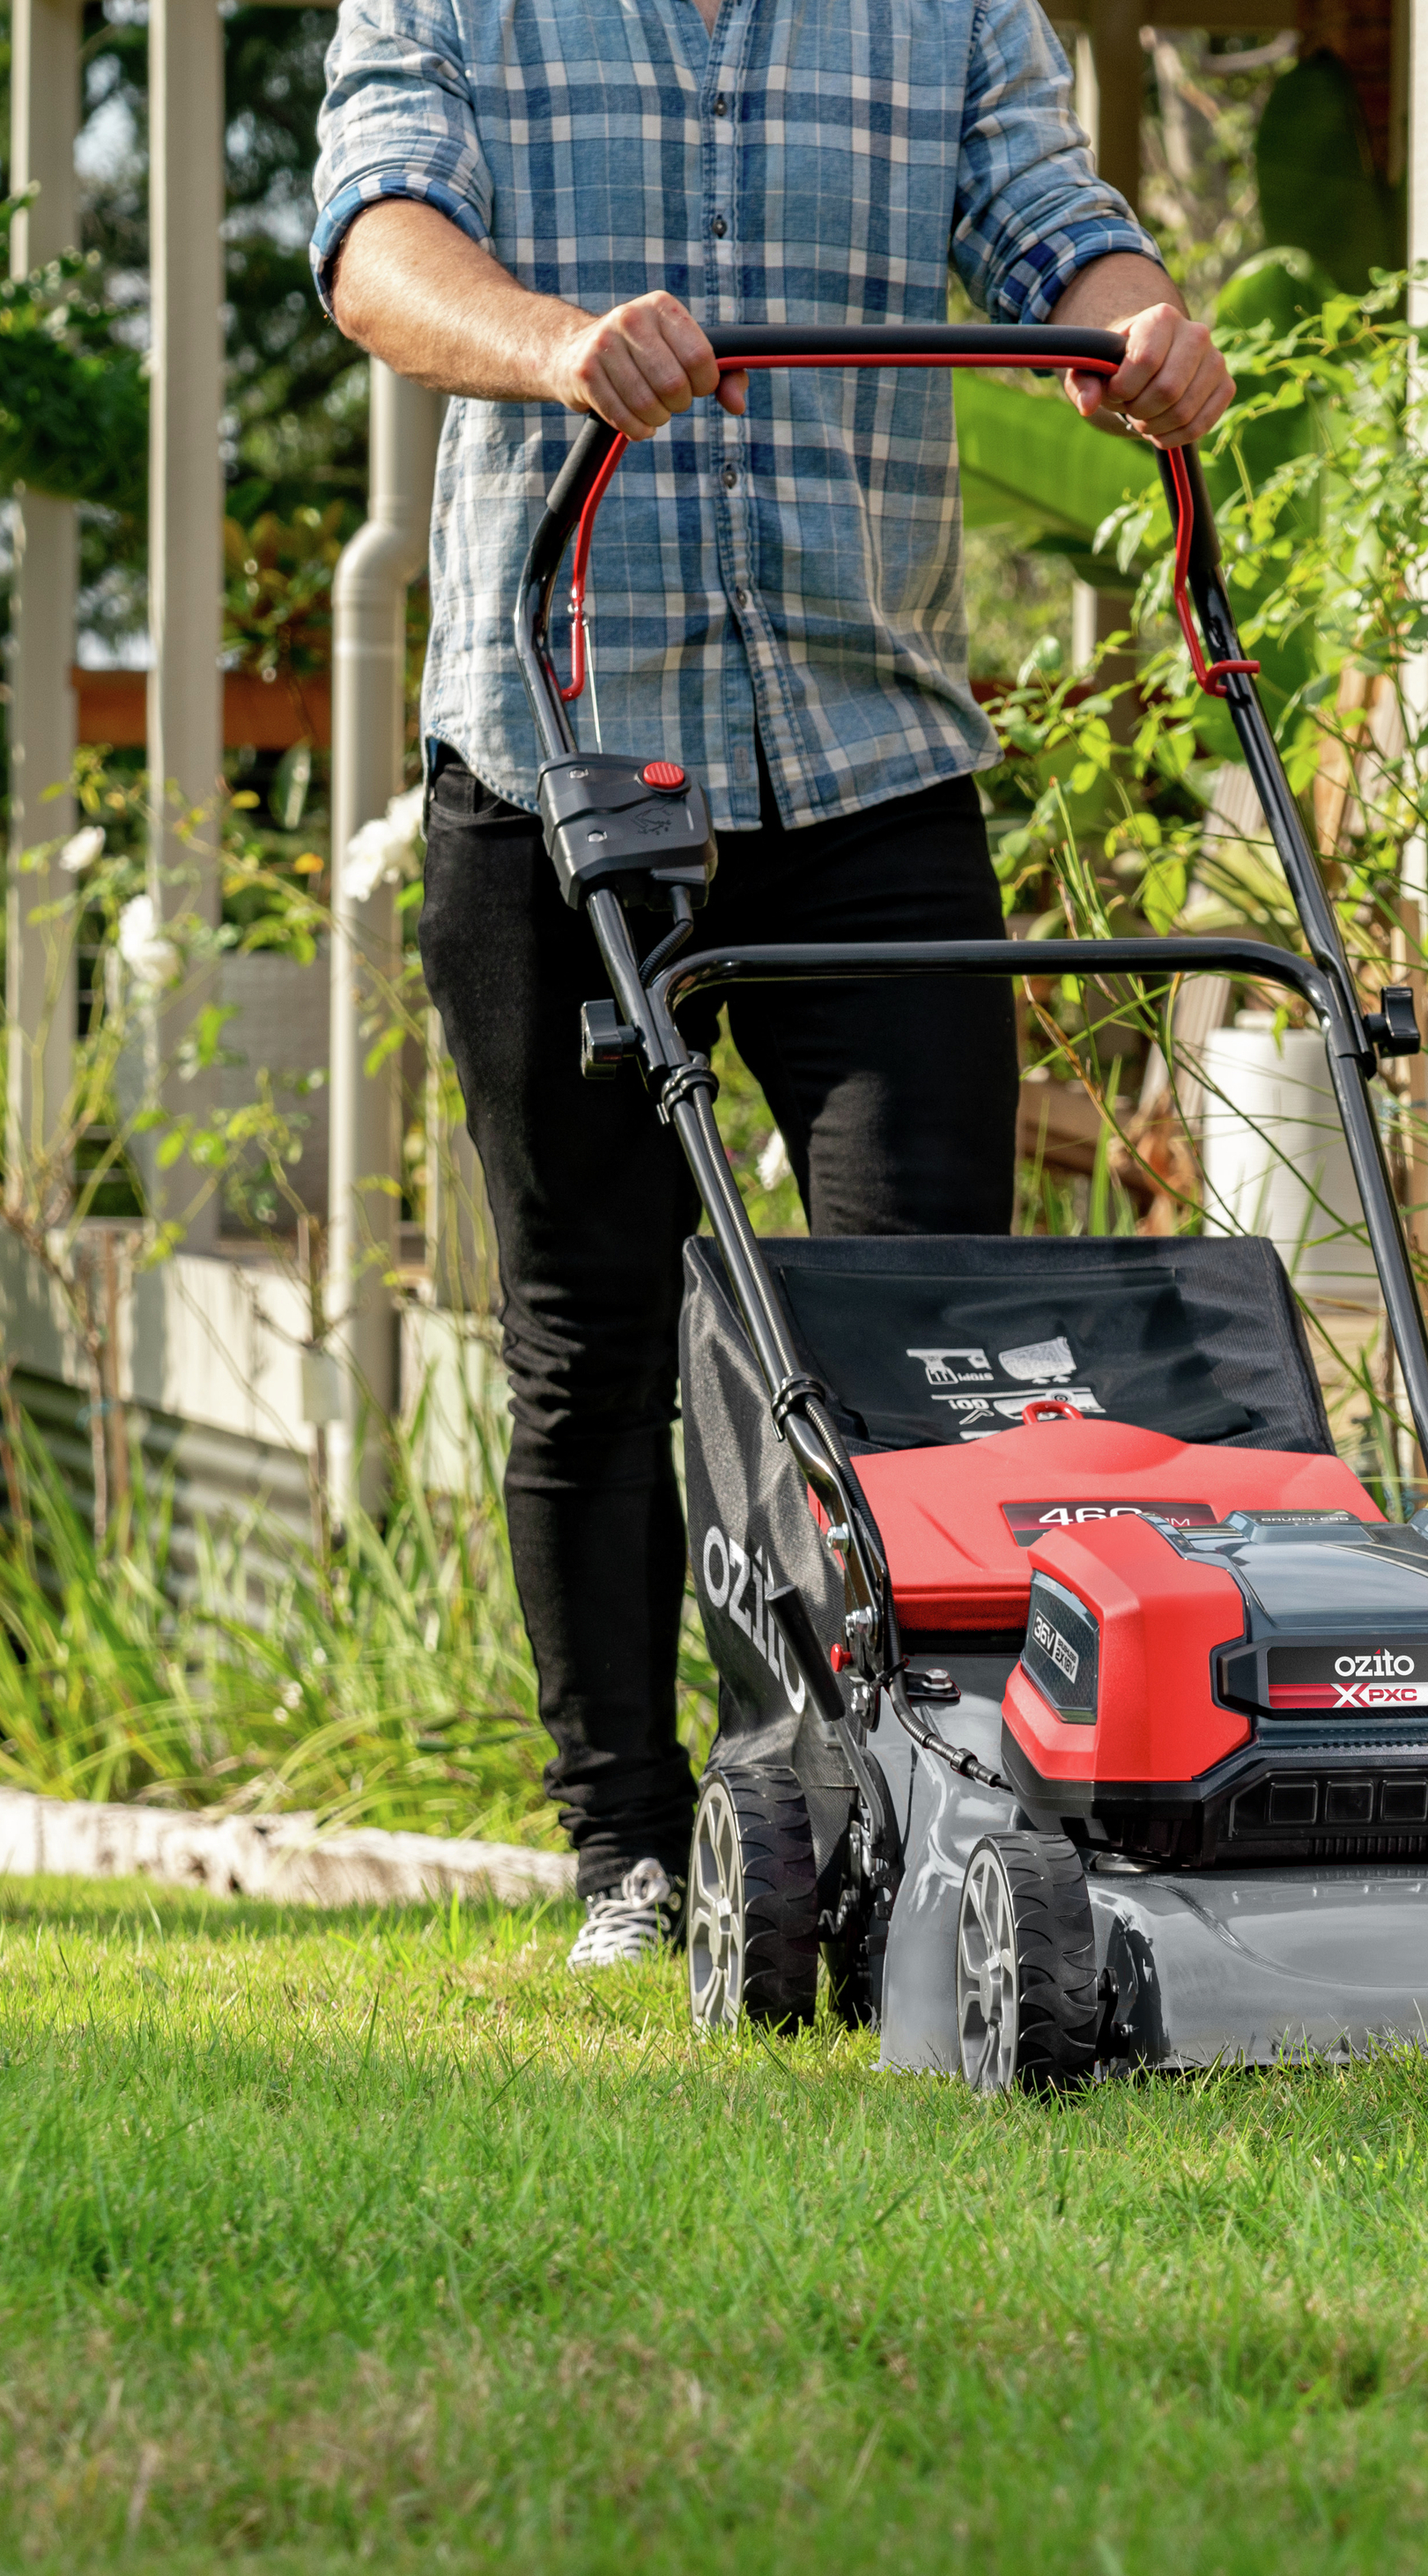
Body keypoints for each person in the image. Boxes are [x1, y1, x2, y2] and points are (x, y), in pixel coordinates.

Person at [312, 0, 1233, 1966]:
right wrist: (559, 342)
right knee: (593, 1317)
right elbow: (378, 241)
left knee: (930, 1327)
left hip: (867, 752)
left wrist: (1136, 320)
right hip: (564, 752)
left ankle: (899, 1817)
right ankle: (632, 1853)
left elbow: (1047, 213)